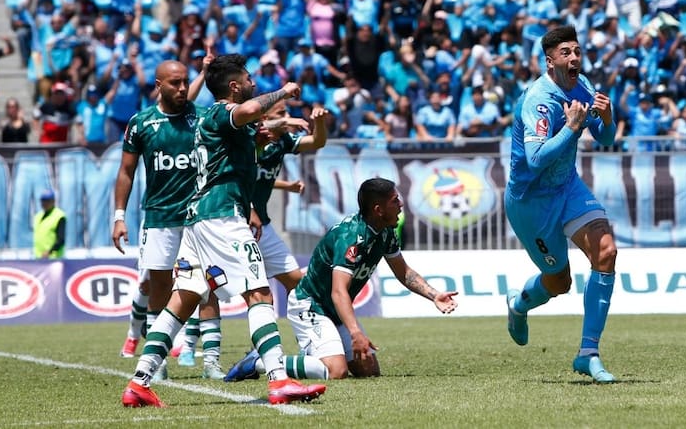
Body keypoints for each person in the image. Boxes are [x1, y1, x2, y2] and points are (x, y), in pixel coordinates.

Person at [121, 54, 326, 407]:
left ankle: (139, 382)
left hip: (196, 219)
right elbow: (245, 114)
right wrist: (284, 92)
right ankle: (279, 380)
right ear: (234, 87)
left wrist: (275, 129)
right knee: (259, 292)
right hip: (221, 216)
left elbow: (248, 137)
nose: (253, 84)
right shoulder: (219, 112)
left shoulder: (215, 123)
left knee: (182, 301)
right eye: (248, 79)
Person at [229, 178, 458, 382]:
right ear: (378, 209)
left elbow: (404, 273)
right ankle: (259, 362)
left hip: (335, 310)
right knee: (336, 371)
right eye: (395, 201)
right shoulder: (350, 236)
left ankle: (315, 353)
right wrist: (356, 333)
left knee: (368, 370)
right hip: (310, 306)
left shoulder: (386, 232)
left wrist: (433, 295)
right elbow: (339, 292)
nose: (400, 205)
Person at [504, 25, 619, 383]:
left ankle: (588, 353)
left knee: (606, 252)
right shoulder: (539, 99)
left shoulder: (583, 85)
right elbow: (536, 158)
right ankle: (519, 303)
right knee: (559, 282)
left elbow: (605, 139)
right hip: (530, 202)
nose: (574, 58)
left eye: (577, 51)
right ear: (549, 60)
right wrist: (570, 129)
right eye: (565, 53)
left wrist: (607, 117)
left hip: (567, 186)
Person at [113, 61, 223, 381]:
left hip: (199, 217)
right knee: (158, 287)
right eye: (174, 83)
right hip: (159, 218)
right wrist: (119, 216)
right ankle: (157, 362)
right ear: (159, 86)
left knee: (209, 285)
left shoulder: (201, 118)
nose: (182, 88)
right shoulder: (141, 123)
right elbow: (126, 172)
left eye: (185, 82)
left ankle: (212, 361)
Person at [224, 101, 331, 382]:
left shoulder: (281, 141)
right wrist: (250, 209)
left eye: (286, 113)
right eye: (281, 114)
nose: (286, 117)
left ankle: (303, 344)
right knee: (218, 291)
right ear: (264, 117)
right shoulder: (246, 138)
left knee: (297, 284)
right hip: (236, 222)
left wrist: (318, 121)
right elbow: (233, 179)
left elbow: (317, 142)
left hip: (263, 227)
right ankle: (190, 349)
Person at [33, 189, 66, 259]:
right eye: (43, 201)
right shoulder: (38, 216)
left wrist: (50, 251)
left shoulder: (59, 216)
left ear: (53, 201)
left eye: (47, 201)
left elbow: (61, 239)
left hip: (53, 258)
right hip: (38, 258)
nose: (45, 203)